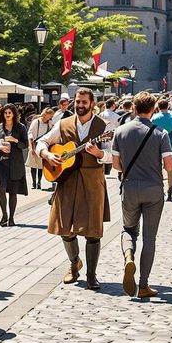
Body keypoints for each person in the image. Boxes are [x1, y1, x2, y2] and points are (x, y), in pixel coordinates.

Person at [35, 88, 113, 290]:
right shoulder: (63, 123)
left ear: (92, 103)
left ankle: (91, 275)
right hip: (68, 180)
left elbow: (113, 156)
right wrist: (47, 155)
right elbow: (41, 142)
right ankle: (74, 263)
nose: (80, 105)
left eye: (84, 102)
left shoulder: (103, 126)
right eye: (77, 101)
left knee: (93, 231)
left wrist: (99, 154)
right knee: (65, 229)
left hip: (92, 181)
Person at [112, 91, 172, 298]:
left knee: (128, 230)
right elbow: (169, 165)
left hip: (130, 187)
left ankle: (129, 256)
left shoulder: (120, 131)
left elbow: (116, 165)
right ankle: (144, 285)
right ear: (153, 109)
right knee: (149, 238)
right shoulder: (161, 133)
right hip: (153, 188)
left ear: (134, 108)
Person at [0, 103, 27, 228]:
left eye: (10, 112)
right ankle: (4, 215)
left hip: (15, 164)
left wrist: (15, 140)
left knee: (13, 192)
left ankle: (11, 218)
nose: (7, 114)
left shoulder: (20, 127)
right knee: (1, 189)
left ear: (14, 114)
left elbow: (25, 144)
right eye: (5, 112)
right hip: (0, 164)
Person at [153, 99, 172, 201]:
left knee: (157, 166)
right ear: (168, 106)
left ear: (158, 107)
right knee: (171, 169)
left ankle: (160, 188)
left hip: (157, 143)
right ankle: (170, 189)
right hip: (171, 144)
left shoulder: (154, 118)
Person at [26, 106, 54, 191]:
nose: (50, 117)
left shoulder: (49, 124)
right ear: (45, 114)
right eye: (50, 115)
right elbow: (30, 134)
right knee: (33, 165)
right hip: (34, 144)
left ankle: (39, 182)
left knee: (41, 165)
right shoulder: (36, 122)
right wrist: (32, 148)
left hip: (43, 146)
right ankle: (34, 182)